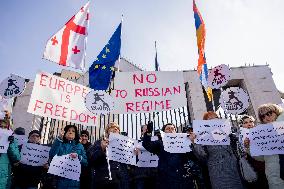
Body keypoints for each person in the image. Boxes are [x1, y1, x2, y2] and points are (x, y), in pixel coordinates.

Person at [191, 111, 244, 189]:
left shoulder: (228, 133)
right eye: (210, 119)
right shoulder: (202, 137)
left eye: (215, 118)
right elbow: (202, 157)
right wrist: (195, 143)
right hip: (217, 171)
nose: (213, 121)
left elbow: (239, 149)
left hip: (233, 168)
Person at [142, 122, 202, 189]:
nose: (170, 130)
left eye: (172, 129)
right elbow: (147, 145)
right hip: (166, 177)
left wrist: (193, 142)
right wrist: (148, 133)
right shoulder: (160, 143)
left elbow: (194, 156)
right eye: (168, 129)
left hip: (183, 177)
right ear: (164, 132)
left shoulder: (184, 142)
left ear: (175, 131)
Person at [245, 104, 284, 189]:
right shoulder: (263, 134)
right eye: (262, 116)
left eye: (269, 113)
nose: (266, 117)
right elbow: (261, 158)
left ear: (276, 112)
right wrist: (249, 147)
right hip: (276, 177)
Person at [88, 122, 129, 189]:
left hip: (120, 180)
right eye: (111, 128)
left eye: (116, 128)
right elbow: (91, 159)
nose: (115, 130)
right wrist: (101, 148)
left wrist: (134, 153)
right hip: (104, 180)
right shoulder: (99, 143)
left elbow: (130, 163)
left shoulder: (124, 145)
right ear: (107, 132)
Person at [49, 125, 88, 189]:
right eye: (68, 131)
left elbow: (85, 162)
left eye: (73, 131)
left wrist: (78, 157)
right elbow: (52, 156)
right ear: (65, 133)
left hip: (73, 183)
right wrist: (59, 139)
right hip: (59, 181)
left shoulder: (80, 146)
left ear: (76, 134)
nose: (70, 132)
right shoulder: (59, 143)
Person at [238, 115, 269, 189]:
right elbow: (243, 150)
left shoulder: (261, 131)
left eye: (251, 121)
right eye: (245, 122)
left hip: (265, 160)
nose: (249, 124)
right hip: (252, 161)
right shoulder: (241, 136)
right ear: (242, 125)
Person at [0, 110, 21, 189]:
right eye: (0, 126)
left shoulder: (11, 140)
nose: (2, 129)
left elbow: (17, 158)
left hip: (3, 181)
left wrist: (11, 143)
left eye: (4, 127)